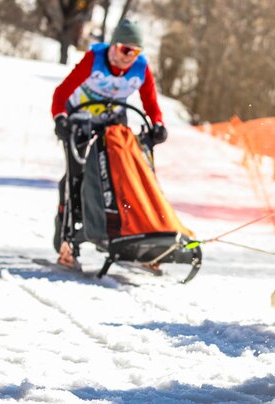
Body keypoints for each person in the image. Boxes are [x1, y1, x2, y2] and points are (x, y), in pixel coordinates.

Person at [51, 19, 168, 268]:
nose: (129, 57)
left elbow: (151, 103)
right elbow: (62, 93)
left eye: (135, 52)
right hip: (80, 118)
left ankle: (140, 233)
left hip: (114, 118)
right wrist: (60, 117)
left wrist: (157, 123)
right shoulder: (95, 59)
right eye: (126, 49)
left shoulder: (141, 68)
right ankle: (67, 240)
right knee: (76, 174)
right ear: (114, 46)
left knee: (127, 171)